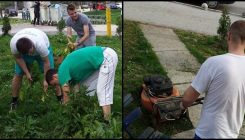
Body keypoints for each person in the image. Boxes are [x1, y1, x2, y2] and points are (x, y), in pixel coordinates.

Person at [180, 20, 245, 138]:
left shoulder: (214, 63)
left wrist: (182, 106)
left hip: (208, 133)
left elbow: (188, 99)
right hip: (231, 134)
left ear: (229, 36)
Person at [45, 46, 118, 121]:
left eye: (54, 84)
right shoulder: (69, 76)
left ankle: (108, 122)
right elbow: (75, 90)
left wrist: (65, 110)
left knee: (102, 91)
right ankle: (89, 113)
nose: (57, 86)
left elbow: (66, 92)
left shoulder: (61, 72)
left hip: (106, 57)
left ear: (55, 77)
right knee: (84, 88)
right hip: (99, 61)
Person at [10, 28, 62, 110]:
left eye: (31, 51)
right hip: (25, 49)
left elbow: (46, 62)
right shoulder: (14, 45)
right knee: (18, 75)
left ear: (32, 45)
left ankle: (60, 98)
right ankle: (14, 101)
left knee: (52, 75)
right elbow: (19, 58)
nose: (30, 54)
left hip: (42, 49)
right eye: (28, 54)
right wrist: (27, 73)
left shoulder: (40, 44)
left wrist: (45, 79)